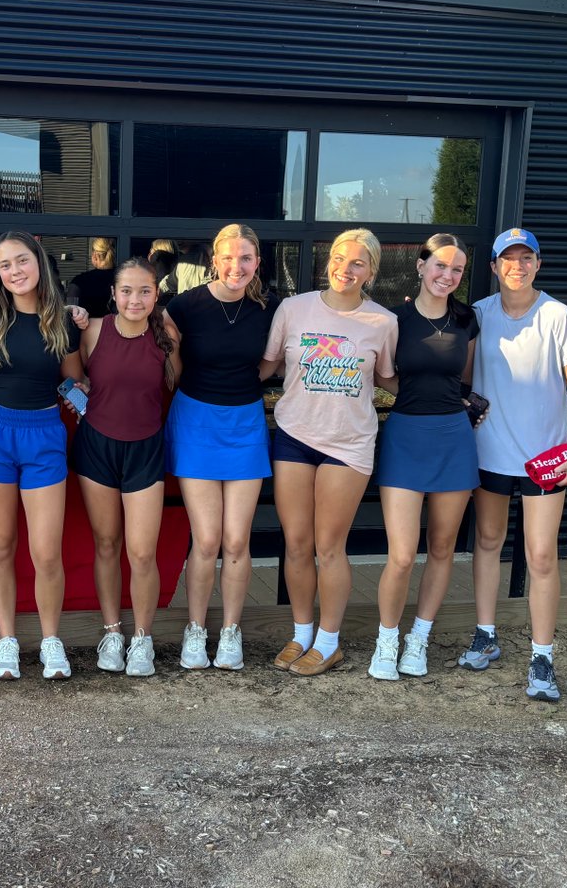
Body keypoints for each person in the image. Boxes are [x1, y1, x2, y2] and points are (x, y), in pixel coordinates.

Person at [458, 228, 567, 702]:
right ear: (495, 266)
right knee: (488, 542)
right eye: (508, 258)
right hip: (490, 451)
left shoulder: (558, 315)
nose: (517, 265)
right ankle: (485, 633)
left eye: (526, 257)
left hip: (546, 459)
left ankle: (542, 656)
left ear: (538, 263)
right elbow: (461, 376)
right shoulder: (478, 313)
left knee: (540, 555)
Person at [260, 229, 397, 676]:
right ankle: (301, 633)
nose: (346, 268)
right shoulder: (293, 309)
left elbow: (391, 379)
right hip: (295, 435)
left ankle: (329, 640)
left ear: (372, 272)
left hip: (349, 443)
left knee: (329, 546)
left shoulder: (383, 322)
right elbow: (267, 366)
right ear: (327, 260)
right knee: (297, 544)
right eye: (340, 258)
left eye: (358, 262)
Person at [165, 224, 277, 671]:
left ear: (257, 262)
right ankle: (195, 630)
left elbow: (272, 362)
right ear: (214, 258)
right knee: (207, 539)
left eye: (246, 258)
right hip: (196, 421)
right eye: (229, 257)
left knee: (236, 539)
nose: (237, 266)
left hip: (246, 423)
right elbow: (163, 355)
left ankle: (230, 632)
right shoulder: (184, 306)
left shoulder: (271, 308)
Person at [0, 231, 84, 680]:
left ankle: (51, 641)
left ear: (38, 262)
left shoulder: (63, 321)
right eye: (5, 265)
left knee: (46, 552)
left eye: (22, 260)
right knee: (0, 545)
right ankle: (6, 642)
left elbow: (73, 382)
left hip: (44, 435)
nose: (15, 271)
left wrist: (83, 397)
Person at [368, 234, 479, 681]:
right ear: (420, 266)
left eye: (457, 270)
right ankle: (387, 639)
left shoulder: (467, 319)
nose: (447, 276)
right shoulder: (392, 321)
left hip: (454, 437)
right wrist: (414, 395)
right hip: (405, 435)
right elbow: (384, 375)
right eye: (440, 266)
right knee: (400, 554)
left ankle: (419, 639)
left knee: (441, 548)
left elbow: (465, 379)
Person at [73, 257, 181, 676]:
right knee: (106, 544)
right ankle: (113, 631)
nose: (135, 299)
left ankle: (142, 638)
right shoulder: (94, 330)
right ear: (113, 294)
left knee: (141, 552)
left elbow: (176, 385)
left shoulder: (166, 335)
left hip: (145, 450)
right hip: (96, 448)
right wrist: (78, 390)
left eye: (144, 291)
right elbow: (72, 377)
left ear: (156, 295)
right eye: (127, 291)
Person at [67, 237, 115, 317]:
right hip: (117, 328)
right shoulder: (123, 279)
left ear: (94, 255)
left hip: (85, 328)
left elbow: (70, 312)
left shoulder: (79, 281)